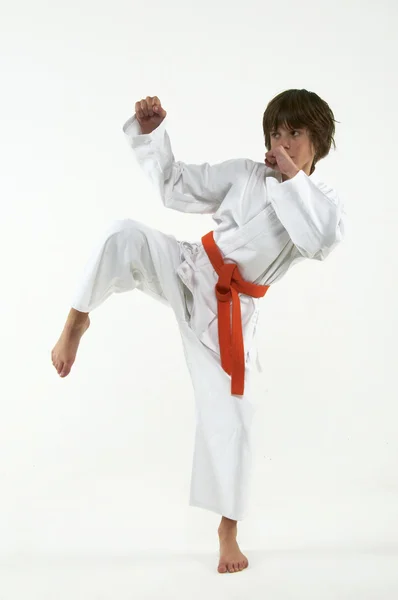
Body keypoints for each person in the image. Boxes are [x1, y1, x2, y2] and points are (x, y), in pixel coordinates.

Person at [51, 89, 346, 573]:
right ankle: (77, 319)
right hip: (192, 268)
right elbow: (174, 186)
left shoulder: (323, 205)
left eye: (295, 133)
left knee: (235, 418)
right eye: (277, 133)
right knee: (121, 233)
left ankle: (227, 529)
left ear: (319, 141)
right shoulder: (245, 174)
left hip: (232, 314)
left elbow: (320, 240)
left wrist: (293, 179)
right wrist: (153, 134)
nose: (283, 142)